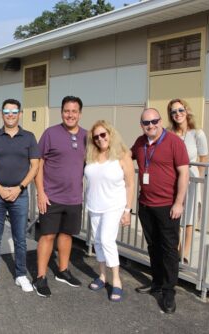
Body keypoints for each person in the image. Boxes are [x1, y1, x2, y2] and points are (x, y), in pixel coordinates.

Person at [131, 108, 189, 314]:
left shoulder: (174, 142)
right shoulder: (140, 142)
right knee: (153, 246)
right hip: (146, 205)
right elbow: (122, 158)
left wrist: (179, 202)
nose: (151, 125)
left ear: (160, 121)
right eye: (146, 123)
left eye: (154, 121)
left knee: (168, 249)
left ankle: (168, 290)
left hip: (167, 206)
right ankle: (156, 282)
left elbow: (184, 173)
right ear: (141, 125)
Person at [0, 99, 40, 292]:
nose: (11, 115)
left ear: (20, 114)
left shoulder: (29, 137)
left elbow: (35, 166)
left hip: (19, 195)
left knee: (20, 238)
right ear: (2, 114)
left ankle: (21, 275)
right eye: (7, 111)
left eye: (14, 112)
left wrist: (19, 188)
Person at [33, 96, 87, 298]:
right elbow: (39, 163)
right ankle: (40, 276)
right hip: (51, 197)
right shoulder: (50, 134)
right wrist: (41, 192)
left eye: (74, 111)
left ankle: (63, 271)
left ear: (80, 113)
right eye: (66, 111)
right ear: (61, 112)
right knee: (47, 236)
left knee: (66, 235)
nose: (70, 115)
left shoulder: (87, 136)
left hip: (74, 198)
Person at [84, 120, 134, 302]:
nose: (100, 139)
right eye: (96, 137)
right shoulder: (91, 156)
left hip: (114, 206)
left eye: (103, 134)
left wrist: (127, 210)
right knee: (97, 241)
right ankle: (102, 276)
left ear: (110, 134)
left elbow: (130, 184)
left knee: (107, 240)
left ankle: (117, 281)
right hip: (94, 205)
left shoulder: (122, 156)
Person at [167, 98, 208, 263]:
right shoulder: (169, 134)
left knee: (189, 215)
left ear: (186, 111)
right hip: (173, 177)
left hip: (191, 177)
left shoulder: (197, 133)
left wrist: (198, 179)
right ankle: (175, 250)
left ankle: (184, 253)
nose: (178, 114)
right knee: (175, 214)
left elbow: (204, 158)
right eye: (174, 112)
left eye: (180, 110)